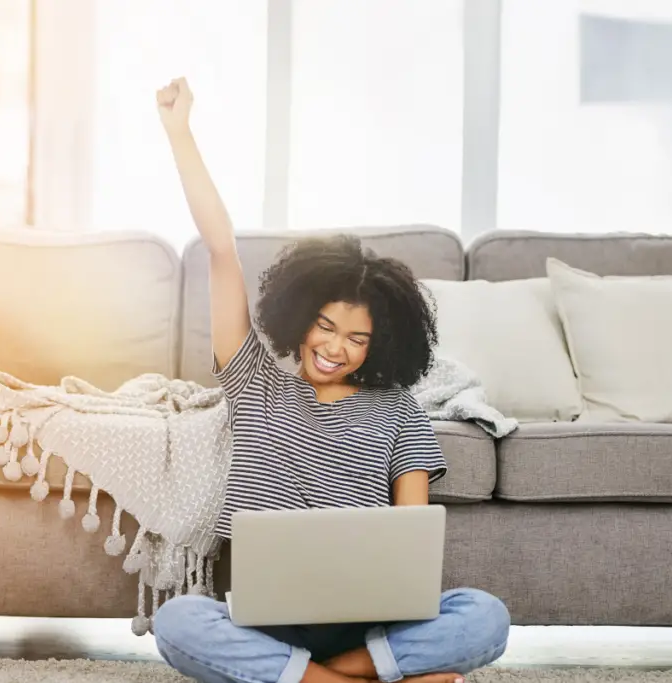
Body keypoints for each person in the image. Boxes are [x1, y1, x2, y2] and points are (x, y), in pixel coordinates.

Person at [150, 77, 510, 683]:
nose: (334, 348)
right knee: (180, 622)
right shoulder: (255, 379)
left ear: (382, 344)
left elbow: (409, 548)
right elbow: (220, 251)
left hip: (368, 621)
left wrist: (389, 609)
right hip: (268, 619)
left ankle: (311, 676)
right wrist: (180, 133)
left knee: (486, 617)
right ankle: (370, 678)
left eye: (357, 338)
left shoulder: (400, 410)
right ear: (302, 315)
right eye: (325, 326)